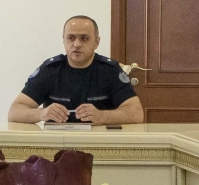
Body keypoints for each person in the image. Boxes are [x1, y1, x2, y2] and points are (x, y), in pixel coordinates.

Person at [9, 15, 146, 125]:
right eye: (71, 38)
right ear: (64, 41)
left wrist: (101, 116)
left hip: (98, 142)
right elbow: (15, 111)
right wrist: (42, 113)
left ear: (96, 42)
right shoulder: (50, 70)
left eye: (84, 38)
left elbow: (136, 113)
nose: (77, 44)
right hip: (57, 142)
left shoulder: (110, 71)